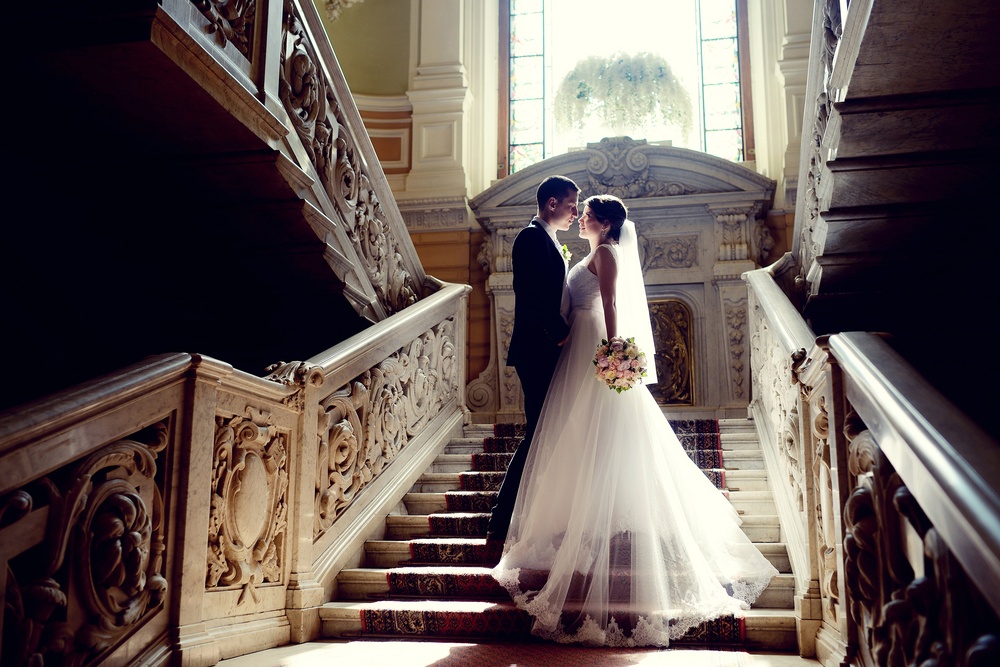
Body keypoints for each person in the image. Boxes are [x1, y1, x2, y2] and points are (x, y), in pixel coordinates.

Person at [491, 194, 778, 647]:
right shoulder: (590, 251)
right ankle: (579, 507)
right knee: (577, 429)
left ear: (604, 224)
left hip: (593, 341)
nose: (579, 217)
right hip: (577, 346)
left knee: (600, 424)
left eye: (586, 214)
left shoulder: (606, 253)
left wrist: (614, 350)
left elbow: (610, 303)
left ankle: (600, 511)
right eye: (577, 211)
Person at [486, 175, 580, 543]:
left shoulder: (551, 240)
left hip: (546, 348)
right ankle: (501, 515)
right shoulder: (530, 237)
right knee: (538, 433)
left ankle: (525, 513)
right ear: (552, 203)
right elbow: (529, 294)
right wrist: (558, 333)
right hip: (538, 348)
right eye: (571, 204)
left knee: (544, 432)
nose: (575, 212)